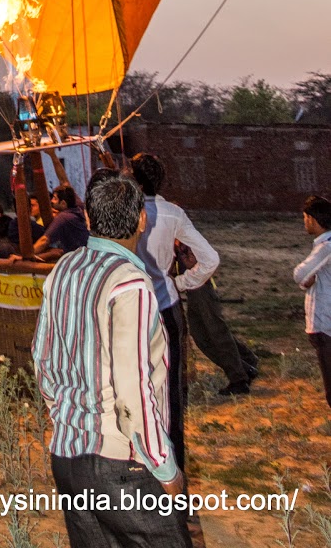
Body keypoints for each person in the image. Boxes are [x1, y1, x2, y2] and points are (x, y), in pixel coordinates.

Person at [33, 170, 186, 548]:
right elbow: (132, 389)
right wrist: (164, 466)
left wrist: (68, 416)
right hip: (122, 464)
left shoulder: (62, 270)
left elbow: (41, 361)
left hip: (68, 456)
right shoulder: (130, 282)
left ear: (87, 219)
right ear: (142, 220)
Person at [131, 152, 217, 472]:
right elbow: (210, 259)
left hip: (132, 309)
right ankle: (172, 470)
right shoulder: (173, 213)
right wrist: (178, 282)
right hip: (166, 306)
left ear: (136, 181)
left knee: (135, 385)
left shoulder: (126, 212)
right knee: (170, 393)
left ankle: (141, 461)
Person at [294, 193, 331, 410]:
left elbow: (300, 274)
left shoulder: (325, 247)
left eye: (305, 218)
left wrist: (306, 279)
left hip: (325, 322)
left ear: (313, 220)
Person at [34, 185, 89, 260]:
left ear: (63, 203)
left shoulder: (63, 217)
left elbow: (44, 241)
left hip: (79, 258)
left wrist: (28, 255)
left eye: (55, 198)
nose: (52, 201)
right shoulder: (77, 208)